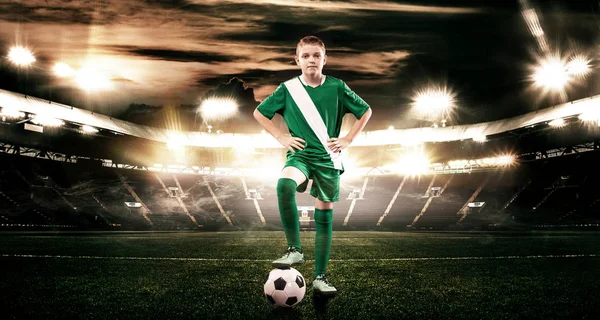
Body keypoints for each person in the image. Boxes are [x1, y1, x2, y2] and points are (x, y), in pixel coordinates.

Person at [253, 35, 372, 297]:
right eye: (305, 55)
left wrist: (348, 139)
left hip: (329, 159)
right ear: (297, 60)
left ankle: (320, 278)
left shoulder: (338, 87)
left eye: (316, 55)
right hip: (301, 156)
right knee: (284, 185)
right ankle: (294, 249)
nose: (311, 60)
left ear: (324, 59)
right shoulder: (288, 88)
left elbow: (366, 111)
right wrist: (281, 137)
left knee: (324, 219)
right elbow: (259, 113)